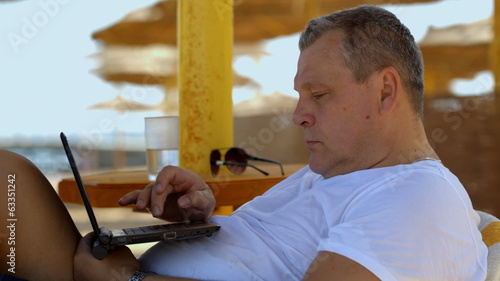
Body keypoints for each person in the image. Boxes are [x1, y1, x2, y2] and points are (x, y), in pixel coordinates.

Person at [0, 5, 488, 281]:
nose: (299, 115)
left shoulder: (418, 199)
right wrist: (202, 217)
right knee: (8, 178)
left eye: (318, 94)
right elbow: (267, 250)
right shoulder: (337, 173)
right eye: (301, 95)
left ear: (385, 91)